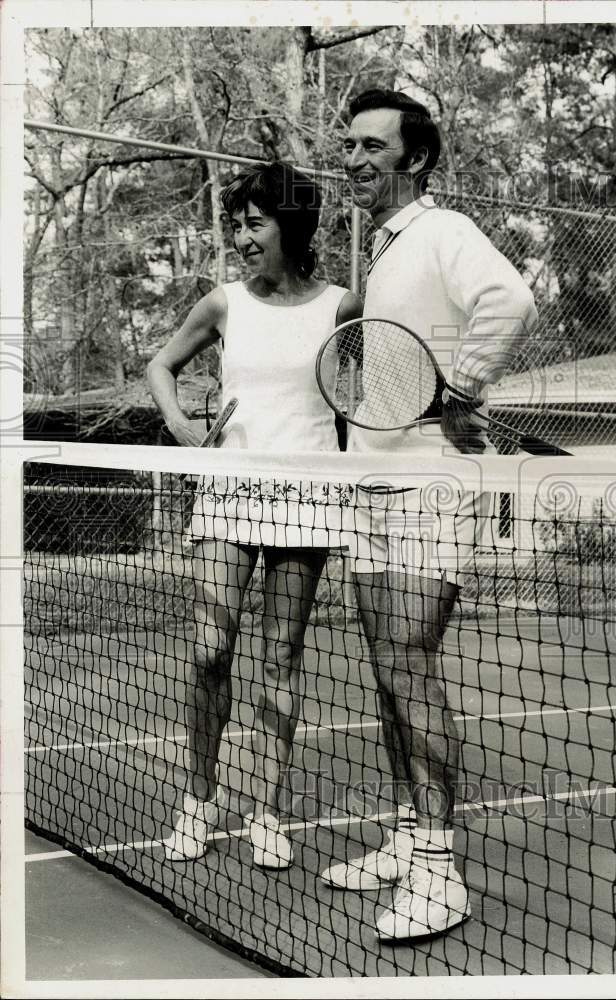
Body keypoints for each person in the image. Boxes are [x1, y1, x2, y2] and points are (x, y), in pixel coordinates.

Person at [319, 89, 539, 942]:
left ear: (412, 159)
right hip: (371, 481)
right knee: (384, 669)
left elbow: (510, 302)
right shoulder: (380, 248)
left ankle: (440, 870)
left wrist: (463, 388)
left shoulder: (443, 231)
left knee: (408, 664)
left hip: (429, 483)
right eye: (347, 145)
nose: (354, 158)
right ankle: (409, 835)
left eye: (371, 146)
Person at [147, 162, 362, 869]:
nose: (241, 237)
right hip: (228, 492)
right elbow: (160, 366)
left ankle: (265, 810)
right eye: (235, 224)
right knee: (210, 651)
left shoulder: (341, 305)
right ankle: (197, 802)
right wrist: (180, 425)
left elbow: (377, 391)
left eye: (254, 222)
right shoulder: (222, 304)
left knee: (280, 657)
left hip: (308, 496)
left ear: (292, 226)